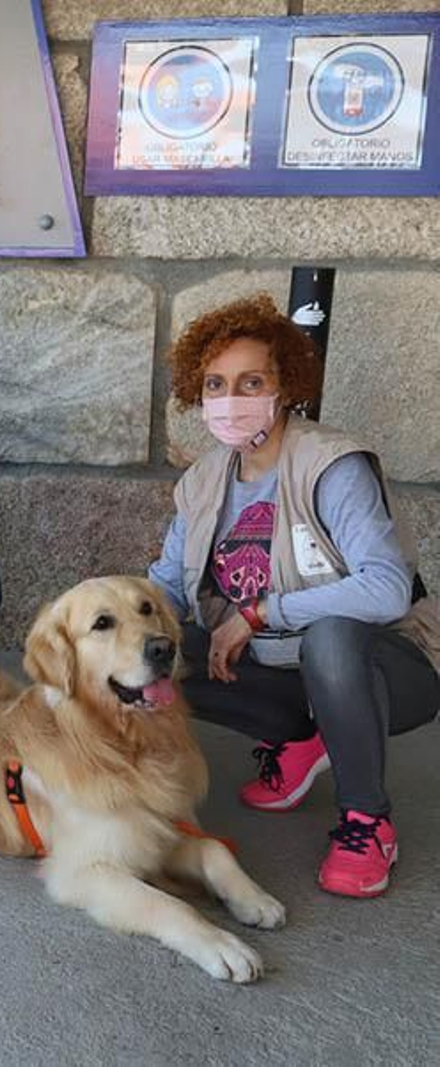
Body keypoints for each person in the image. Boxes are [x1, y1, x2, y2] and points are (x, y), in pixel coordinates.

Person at [148, 294, 439, 899]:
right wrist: (99, 624)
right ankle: (304, 739)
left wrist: (259, 613)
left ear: (286, 386)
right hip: (275, 669)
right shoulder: (203, 481)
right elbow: (168, 586)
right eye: (216, 384)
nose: (231, 400)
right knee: (150, 652)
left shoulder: (331, 465)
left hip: (387, 668)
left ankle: (366, 820)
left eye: (251, 381)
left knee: (332, 638)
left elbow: (385, 588)